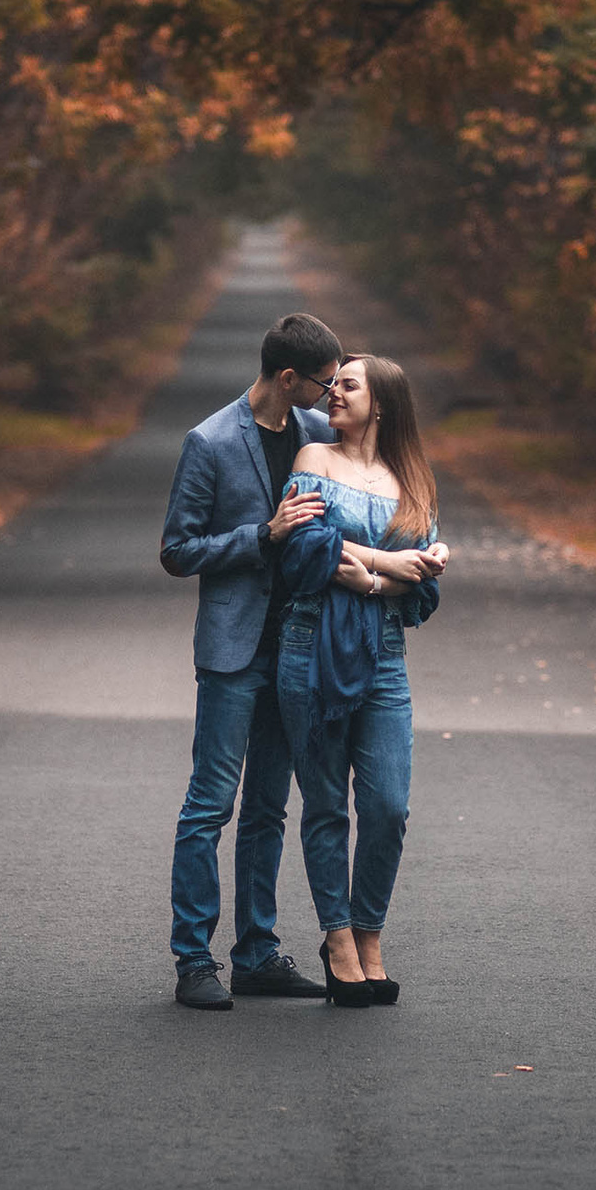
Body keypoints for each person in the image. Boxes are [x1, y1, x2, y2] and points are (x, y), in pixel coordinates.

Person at [157, 313, 346, 1010]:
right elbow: (178, 550)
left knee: (270, 807)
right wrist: (260, 536)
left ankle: (257, 953)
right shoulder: (208, 442)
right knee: (211, 804)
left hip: (297, 651)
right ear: (287, 377)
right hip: (234, 653)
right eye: (323, 383)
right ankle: (192, 961)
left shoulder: (319, 436)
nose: (330, 396)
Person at [275, 354, 448, 1008]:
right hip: (308, 640)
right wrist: (389, 563)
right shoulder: (314, 460)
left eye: (348, 384)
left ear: (382, 404)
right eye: (333, 384)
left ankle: (370, 929)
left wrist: (404, 569)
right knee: (325, 804)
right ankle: (341, 940)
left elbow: (419, 589)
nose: (332, 393)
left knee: (387, 807)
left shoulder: (413, 484)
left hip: (385, 652)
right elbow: (305, 551)